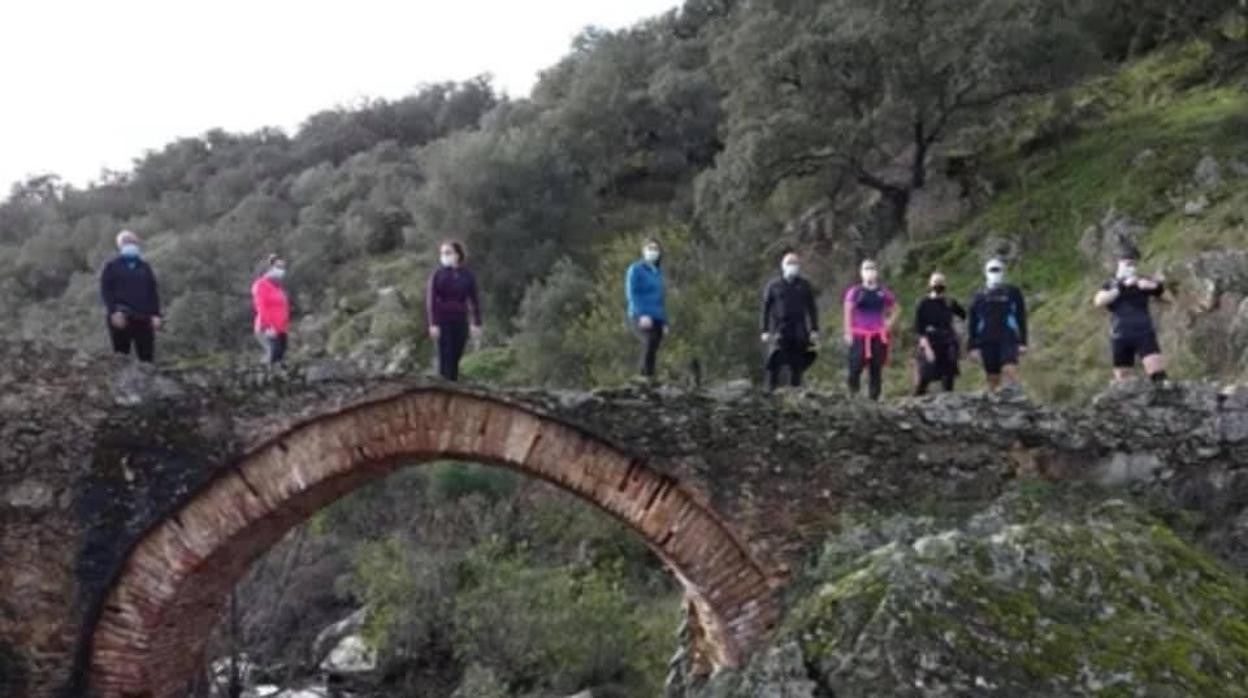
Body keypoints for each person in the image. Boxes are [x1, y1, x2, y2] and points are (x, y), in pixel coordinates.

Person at [1093, 248, 1168, 384]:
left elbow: (1170, 299)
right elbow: (1099, 301)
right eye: (1127, 263)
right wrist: (1121, 286)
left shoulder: (1142, 281)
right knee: (1122, 381)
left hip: (1143, 333)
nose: (1131, 267)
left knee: (1158, 375)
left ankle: (1166, 401)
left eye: (1134, 264)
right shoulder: (1111, 284)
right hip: (1120, 336)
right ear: (1119, 263)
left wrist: (1156, 287)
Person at [99, 230, 162, 363]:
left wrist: (156, 315)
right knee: (121, 357)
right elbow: (106, 291)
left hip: (144, 319)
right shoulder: (111, 267)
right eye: (127, 242)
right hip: (122, 317)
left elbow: (153, 291)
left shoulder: (144, 267)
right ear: (120, 245)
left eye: (133, 241)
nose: (131, 244)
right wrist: (113, 312)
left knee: (147, 358)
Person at [761, 252, 820, 391]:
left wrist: (814, 329)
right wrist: (764, 330)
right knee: (774, 361)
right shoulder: (774, 285)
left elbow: (812, 308)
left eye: (795, 264)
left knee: (798, 363)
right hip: (780, 328)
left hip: (799, 329)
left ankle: (796, 391)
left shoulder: (804, 285)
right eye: (789, 263)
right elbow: (766, 309)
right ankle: (770, 391)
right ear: (783, 266)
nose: (792, 267)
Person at [968, 258, 1028, 391]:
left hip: (1008, 337)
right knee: (992, 376)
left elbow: (1021, 317)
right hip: (987, 339)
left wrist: (1023, 341)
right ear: (985, 272)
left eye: (998, 269)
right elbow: (973, 322)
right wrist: (972, 346)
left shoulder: (1013, 292)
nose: (995, 273)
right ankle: (994, 404)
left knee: (1009, 367)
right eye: (992, 270)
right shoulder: (978, 295)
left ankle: (1018, 395)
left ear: (1003, 271)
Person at [842, 259, 899, 400]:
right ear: (861, 272)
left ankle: (874, 398)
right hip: (859, 335)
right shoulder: (855, 292)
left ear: (876, 272)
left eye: (872, 269)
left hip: (877, 335)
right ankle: (853, 395)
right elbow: (847, 311)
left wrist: (889, 324)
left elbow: (896, 308)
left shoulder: (882, 292)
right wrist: (847, 332)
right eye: (866, 269)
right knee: (855, 367)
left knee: (876, 369)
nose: (869, 272)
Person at [426, 240, 482, 381]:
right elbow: (431, 299)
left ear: (457, 255)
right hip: (443, 320)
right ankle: (444, 385)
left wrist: (476, 322)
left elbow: (473, 299)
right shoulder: (438, 275)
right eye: (443, 253)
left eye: (448, 253)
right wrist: (433, 323)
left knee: (456, 354)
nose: (445, 256)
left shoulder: (467, 275)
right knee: (445, 356)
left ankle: (453, 383)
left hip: (460, 319)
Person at [914, 272, 966, 395]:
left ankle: (948, 401)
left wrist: (959, 332)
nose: (938, 285)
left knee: (948, 377)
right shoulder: (923, 304)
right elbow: (919, 329)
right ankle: (916, 403)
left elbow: (963, 315)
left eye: (941, 282)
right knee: (925, 376)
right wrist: (926, 348)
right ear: (930, 284)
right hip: (930, 341)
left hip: (947, 341)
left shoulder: (949, 302)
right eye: (935, 282)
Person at [625, 238, 667, 380]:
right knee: (649, 341)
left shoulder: (657, 272)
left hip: (656, 316)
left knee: (654, 345)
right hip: (640, 314)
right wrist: (642, 314)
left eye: (656, 249)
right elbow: (632, 293)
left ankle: (650, 377)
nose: (653, 252)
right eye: (650, 248)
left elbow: (660, 298)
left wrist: (664, 321)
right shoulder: (636, 269)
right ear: (643, 251)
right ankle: (643, 378)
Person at [251, 254, 290, 364]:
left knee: (280, 356)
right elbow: (260, 306)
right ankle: (260, 377)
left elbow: (283, 308)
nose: (281, 271)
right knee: (273, 353)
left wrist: (284, 326)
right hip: (267, 327)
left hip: (281, 328)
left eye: (282, 268)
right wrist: (267, 326)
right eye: (278, 267)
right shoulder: (260, 284)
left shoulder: (278, 288)